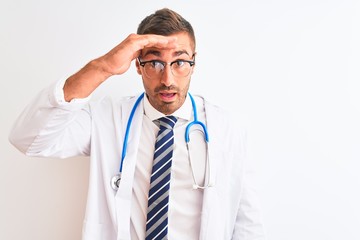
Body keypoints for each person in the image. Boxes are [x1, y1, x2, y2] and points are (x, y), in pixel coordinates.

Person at [9, 8, 267, 240]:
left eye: (179, 62)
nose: (167, 79)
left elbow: (247, 224)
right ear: (137, 65)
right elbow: (29, 139)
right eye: (154, 63)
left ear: (194, 62)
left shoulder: (228, 129)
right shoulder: (106, 119)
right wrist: (102, 67)